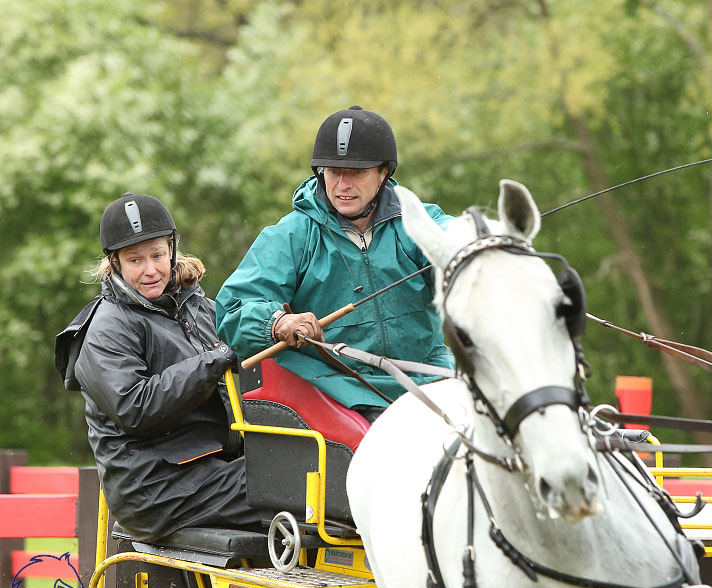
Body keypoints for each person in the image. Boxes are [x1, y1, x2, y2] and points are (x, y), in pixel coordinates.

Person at [55, 193, 273, 541]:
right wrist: (215, 360)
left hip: (213, 463)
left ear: (172, 250)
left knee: (310, 465)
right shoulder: (106, 328)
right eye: (135, 260)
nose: (151, 269)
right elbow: (135, 407)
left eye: (157, 255)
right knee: (291, 484)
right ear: (115, 263)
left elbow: (245, 364)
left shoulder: (197, 306)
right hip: (154, 487)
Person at [215, 106, 454, 423]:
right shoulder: (291, 235)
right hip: (341, 386)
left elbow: (457, 242)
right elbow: (234, 306)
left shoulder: (418, 222)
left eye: (356, 173)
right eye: (333, 172)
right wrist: (276, 323)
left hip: (427, 370)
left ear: (383, 173)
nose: (342, 185)